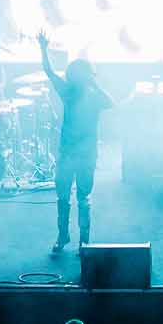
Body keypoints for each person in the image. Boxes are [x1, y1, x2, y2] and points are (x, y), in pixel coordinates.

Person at [36, 27, 113, 253]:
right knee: (81, 197)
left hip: (75, 152)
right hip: (76, 152)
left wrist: (43, 49)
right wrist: (94, 83)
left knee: (69, 197)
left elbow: (49, 72)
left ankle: (68, 238)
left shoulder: (73, 92)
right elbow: (111, 102)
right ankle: (79, 240)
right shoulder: (82, 94)